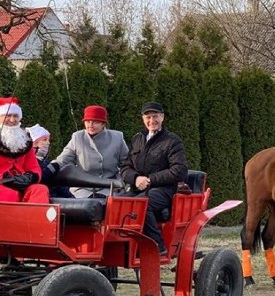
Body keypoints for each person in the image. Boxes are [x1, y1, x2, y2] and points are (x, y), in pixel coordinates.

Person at [120, 101, 188, 256]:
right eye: (148, 117)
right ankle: (125, 246)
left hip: (164, 190)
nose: (152, 121)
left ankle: (158, 246)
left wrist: (150, 180)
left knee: (144, 204)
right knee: (116, 203)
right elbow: (125, 167)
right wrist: (136, 178)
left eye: (155, 116)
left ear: (162, 117)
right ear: (143, 119)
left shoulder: (172, 141)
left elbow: (180, 170)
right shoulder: (138, 139)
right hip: (138, 187)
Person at [0, 97, 50, 203]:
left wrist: (30, 177)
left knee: (40, 190)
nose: (12, 120)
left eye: (15, 116)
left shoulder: (24, 139)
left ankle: (35, 219)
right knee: (8, 194)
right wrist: (5, 178)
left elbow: (34, 167)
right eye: (7, 115)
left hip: (20, 186)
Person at [54, 105, 129, 198]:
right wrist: (49, 169)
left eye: (95, 122)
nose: (90, 125)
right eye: (87, 121)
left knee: (109, 206)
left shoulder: (117, 137)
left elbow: (126, 164)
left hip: (109, 187)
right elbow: (63, 160)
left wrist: (120, 182)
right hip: (82, 188)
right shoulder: (77, 137)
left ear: (103, 124)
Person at [27, 124, 72, 198]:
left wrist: (72, 199)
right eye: (44, 140)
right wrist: (52, 168)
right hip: (45, 197)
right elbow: (37, 179)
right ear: (34, 143)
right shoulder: (29, 162)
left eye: (48, 140)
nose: (48, 143)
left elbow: (60, 186)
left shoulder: (46, 162)